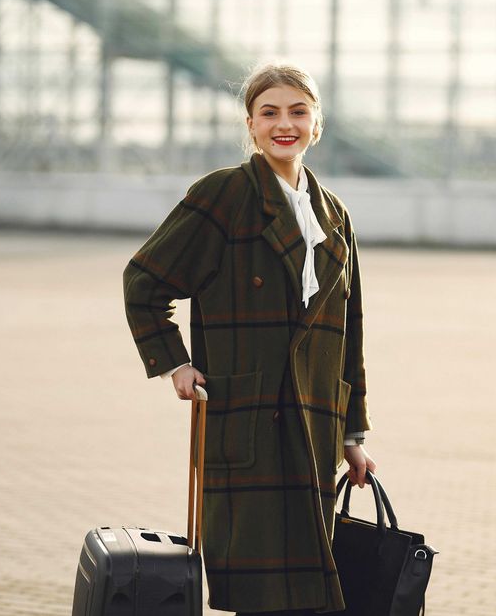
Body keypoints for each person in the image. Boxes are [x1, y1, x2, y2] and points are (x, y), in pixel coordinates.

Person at [122, 62, 375, 615]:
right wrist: (175, 364)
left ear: (317, 123)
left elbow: (348, 334)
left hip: (316, 426)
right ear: (251, 124)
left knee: (311, 592)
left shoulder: (335, 216)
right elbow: (143, 282)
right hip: (248, 422)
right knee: (261, 594)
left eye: (298, 112)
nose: (284, 124)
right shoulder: (224, 195)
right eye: (270, 113)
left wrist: (352, 432)